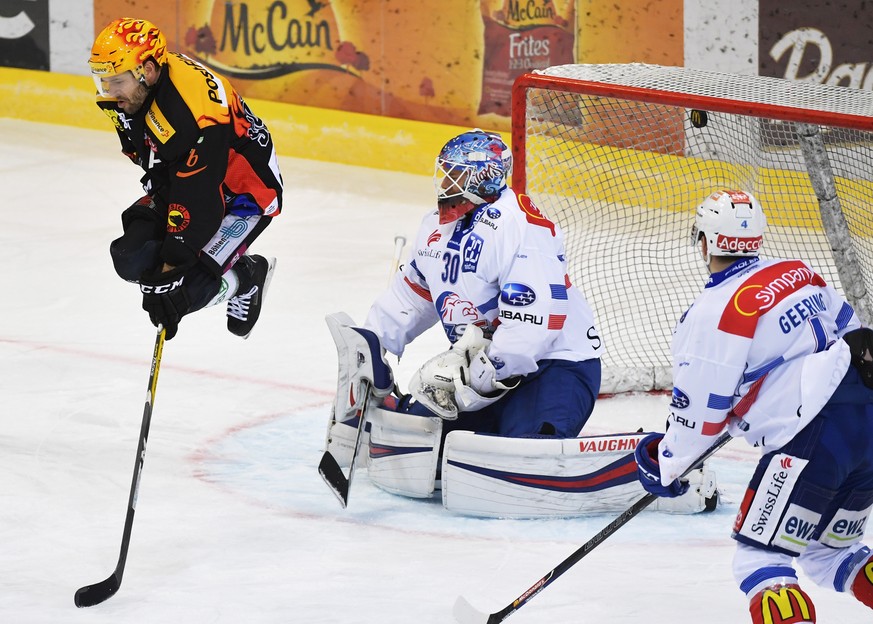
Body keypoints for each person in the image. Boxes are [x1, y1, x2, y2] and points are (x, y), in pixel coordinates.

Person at [634, 189, 873, 622]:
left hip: (814, 434)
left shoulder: (712, 314)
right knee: (833, 553)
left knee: (761, 560)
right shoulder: (796, 271)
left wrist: (668, 465)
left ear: (704, 240)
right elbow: (851, 329)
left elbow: (700, 413)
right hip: (867, 417)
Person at [361, 128, 602, 440]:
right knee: (414, 439)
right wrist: (371, 347)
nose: (444, 180)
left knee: (523, 455)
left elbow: (534, 323)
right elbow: (409, 300)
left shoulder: (520, 228)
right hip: (480, 368)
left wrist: (479, 378)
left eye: (454, 173)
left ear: (481, 178)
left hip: (552, 367)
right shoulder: (434, 228)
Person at [88, 18, 283, 340]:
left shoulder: (194, 115)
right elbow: (153, 155)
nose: (110, 91)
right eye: (103, 81)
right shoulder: (140, 88)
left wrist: (172, 266)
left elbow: (200, 196)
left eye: (117, 81)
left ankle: (246, 277)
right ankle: (218, 271)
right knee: (131, 259)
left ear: (147, 71)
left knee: (182, 294)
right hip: (185, 178)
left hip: (244, 195)